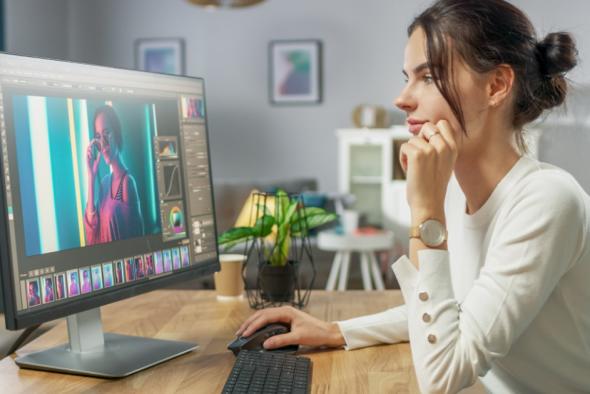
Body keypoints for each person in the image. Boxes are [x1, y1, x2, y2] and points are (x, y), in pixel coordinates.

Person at [236, 1, 590, 392]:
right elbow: (448, 311)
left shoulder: (546, 199)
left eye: (429, 78)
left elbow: (442, 377)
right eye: (408, 77)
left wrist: (425, 212)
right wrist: (335, 330)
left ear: (496, 86)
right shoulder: (455, 192)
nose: (402, 99)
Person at [84, 105, 144, 245]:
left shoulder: (127, 183)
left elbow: (136, 243)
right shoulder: (105, 183)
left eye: (107, 133)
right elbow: (92, 237)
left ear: (117, 133)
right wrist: (91, 178)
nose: (103, 143)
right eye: (98, 136)